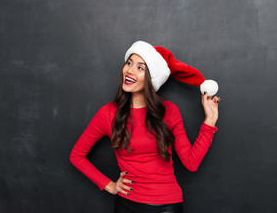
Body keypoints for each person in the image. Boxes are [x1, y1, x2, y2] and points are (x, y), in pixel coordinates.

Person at [70, 41, 221, 213]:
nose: (130, 70)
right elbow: (76, 156)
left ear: (152, 78)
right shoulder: (108, 113)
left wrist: (210, 121)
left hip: (167, 206)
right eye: (129, 63)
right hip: (127, 205)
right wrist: (110, 186)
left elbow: (191, 163)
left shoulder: (169, 111)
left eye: (140, 68)